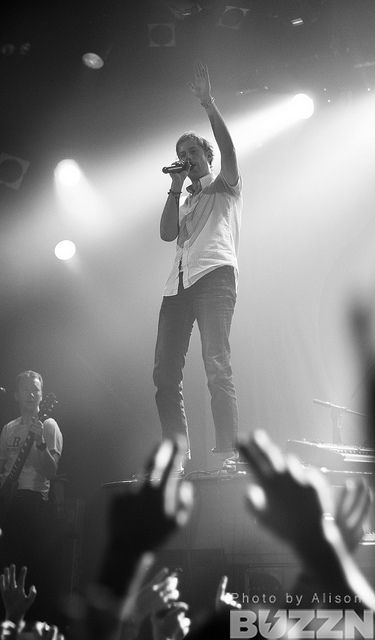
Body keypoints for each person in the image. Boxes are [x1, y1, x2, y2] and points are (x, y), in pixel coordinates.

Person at [153, 62, 242, 472]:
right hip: (179, 287)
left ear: (205, 157)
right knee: (165, 375)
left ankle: (226, 451)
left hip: (214, 277)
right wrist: (173, 187)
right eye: (180, 155)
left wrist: (208, 104)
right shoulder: (184, 200)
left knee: (215, 363)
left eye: (191, 153)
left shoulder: (225, 186)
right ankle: (178, 454)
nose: (185, 159)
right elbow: (166, 234)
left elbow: (230, 150)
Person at [0, 371, 63, 623]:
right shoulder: (8, 428)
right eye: (26, 389)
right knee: (8, 568)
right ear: (16, 394)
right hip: (9, 504)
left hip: (35, 504)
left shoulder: (48, 425)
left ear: (41, 396)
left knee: (32, 571)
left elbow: (50, 471)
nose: (31, 393)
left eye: (36, 390)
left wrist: (38, 443)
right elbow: (3, 467)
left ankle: (35, 626)